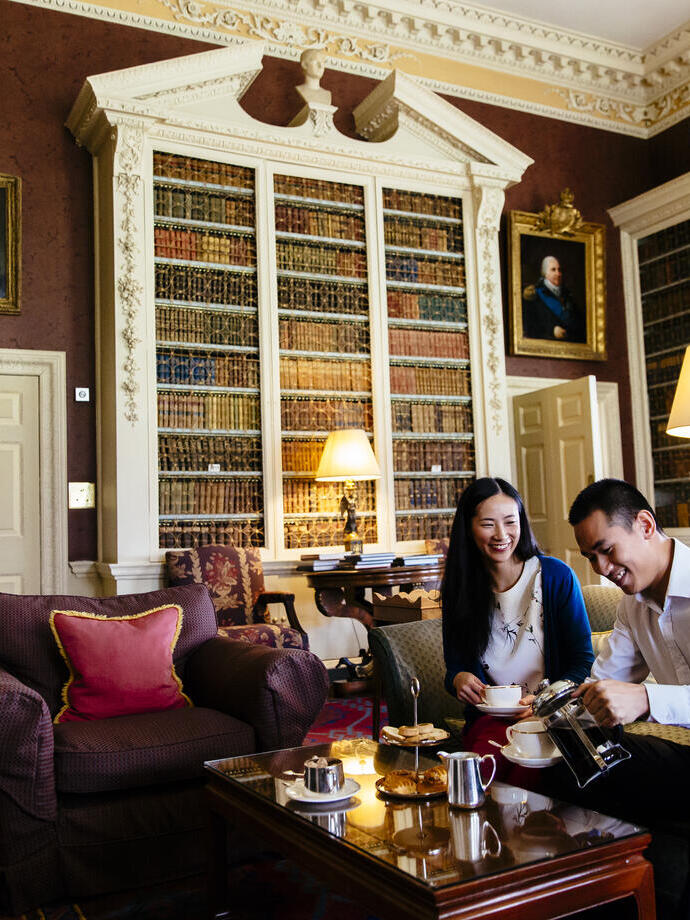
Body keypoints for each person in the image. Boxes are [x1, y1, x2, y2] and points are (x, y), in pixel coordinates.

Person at [554, 478, 690, 918]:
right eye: (590, 557)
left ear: (645, 525)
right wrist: (554, 712)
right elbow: (601, 684)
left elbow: (638, 698)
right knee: (582, 753)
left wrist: (647, 700)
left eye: (606, 549)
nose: (600, 567)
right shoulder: (632, 606)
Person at [441, 477, 594, 776]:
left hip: (553, 714)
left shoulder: (554, 577)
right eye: (488, 524)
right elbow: (454, 668)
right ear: (468, 528)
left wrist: (544, 702)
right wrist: (459, 679)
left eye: (510, 522)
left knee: (529, 768)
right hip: (490, 720)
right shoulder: (459, 591)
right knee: (487, 769)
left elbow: (582, 661)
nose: (501, 534)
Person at [522, 256, 585, 343]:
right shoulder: (534, 295)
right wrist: (552, 331)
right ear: (545, 273)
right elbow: (531, 326)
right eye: (553, 270)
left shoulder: (568, 295)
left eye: (559, 270)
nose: (558, 274)